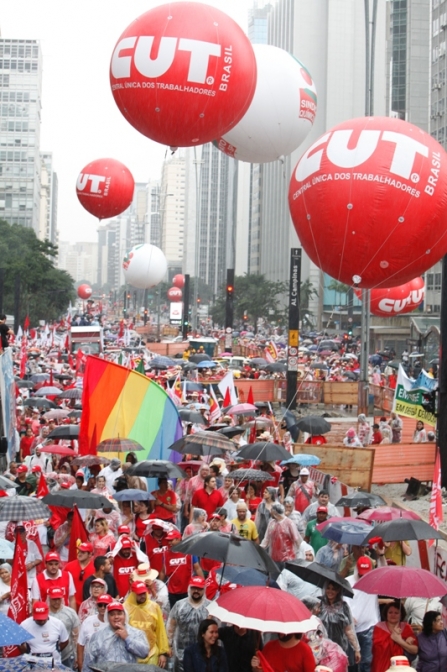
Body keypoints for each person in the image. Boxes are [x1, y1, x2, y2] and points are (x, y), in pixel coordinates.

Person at [83, 601, 149, 668]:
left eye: (119, 614)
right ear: (108, 617)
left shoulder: (136, 633)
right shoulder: (97, 636)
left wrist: (127, 638)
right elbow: (88, 663)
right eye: (112, 614)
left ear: (125, 615)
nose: (116, 617)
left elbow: (144, 653)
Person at [167, 577, 211, 672]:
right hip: (181, 653)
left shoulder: (210, 607)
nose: (196, 591)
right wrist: (169, 645)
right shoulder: (179, 605)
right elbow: (171, 626)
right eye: (193, 588)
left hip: (204, 652)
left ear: (204, 589)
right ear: (189, 588)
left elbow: (214, 631)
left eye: (199, 589)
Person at [345, 556, 381, 672]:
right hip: (351, 629)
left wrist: (380, 555)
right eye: (361, 574)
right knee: (352, 662)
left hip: (369, 627)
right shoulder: (348, 582)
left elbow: (386, 572)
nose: (363, 576)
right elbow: (345, 601)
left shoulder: (375, 580)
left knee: (367, 661)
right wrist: (350, 617)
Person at [124, 580, 169, 667]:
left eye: (144, 593)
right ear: (133, 594)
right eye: (139, 594)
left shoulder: (154, 607)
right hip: (132, 655)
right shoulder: (125, 608)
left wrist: (162, 653)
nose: (143, 596)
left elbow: (160, 630)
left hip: (152, 654)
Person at [319, 581, 361, 665]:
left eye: (333, 589)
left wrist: (357, 649)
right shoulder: (319, 603)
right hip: (321, 647)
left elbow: (349, 630)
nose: (330, 591)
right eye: (328, 588)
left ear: (338, 591)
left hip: (339, 647)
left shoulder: (343, 606)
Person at [161, 529, 204, 608]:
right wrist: (160, 585)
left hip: (187, 590)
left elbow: (197, 568)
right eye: (168, 540)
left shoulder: (190, 552)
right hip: (172, 592)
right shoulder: (165, 554)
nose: (169, 543)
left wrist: (202, 584)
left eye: (171, 540)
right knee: (174, 613)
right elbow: (163, 571)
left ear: (178, 539)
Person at [371, 601, 418, 672]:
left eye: (396, 613)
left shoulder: (406, 627)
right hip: (380, 666)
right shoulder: (378, 627)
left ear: (401, 615)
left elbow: (414, 650)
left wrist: (399, 640)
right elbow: (374, 647)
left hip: (400, 668)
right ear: (386, 614)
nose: (393, 615)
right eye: (390, 612)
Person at [21, 601, 69, 665]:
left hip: (54, 664)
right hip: (33, 665)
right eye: (39, 619)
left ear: (48, 613)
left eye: (43, 618)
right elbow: (19, 643)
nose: (42, 621)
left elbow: (65, 641)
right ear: (33, 614)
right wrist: (28, 652)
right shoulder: (24, 625)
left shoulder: (58, 624)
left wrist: (56, 650)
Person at [77, 594, 113, 672]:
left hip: (109, 665)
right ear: (97, 606)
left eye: (106, 605)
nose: (103, 608)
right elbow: (80, 644)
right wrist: (80, 664)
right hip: (90, 664)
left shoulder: (114, 622)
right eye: (100, 605)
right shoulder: (88, 621)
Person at [48, 586, 80, 670]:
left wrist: (77, 656)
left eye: (59, 599)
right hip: (49, 657)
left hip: (68, 655)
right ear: (49, 598)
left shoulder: (70, 613)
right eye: (54, 599)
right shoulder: (45, 614)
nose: (57, 601)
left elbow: (76, 636)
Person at [251, 631, 315, 672]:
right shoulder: (269, 646)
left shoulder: (305, 650)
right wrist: (255, 667)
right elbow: (261, 669)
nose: (281, 633)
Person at [64, 541, 95, 610]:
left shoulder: (95, 568)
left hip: (89, 607)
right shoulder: (69, 566)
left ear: (90, 555)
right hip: (71, 605)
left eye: (83, 552)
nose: (79, 554)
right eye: (79, 551)